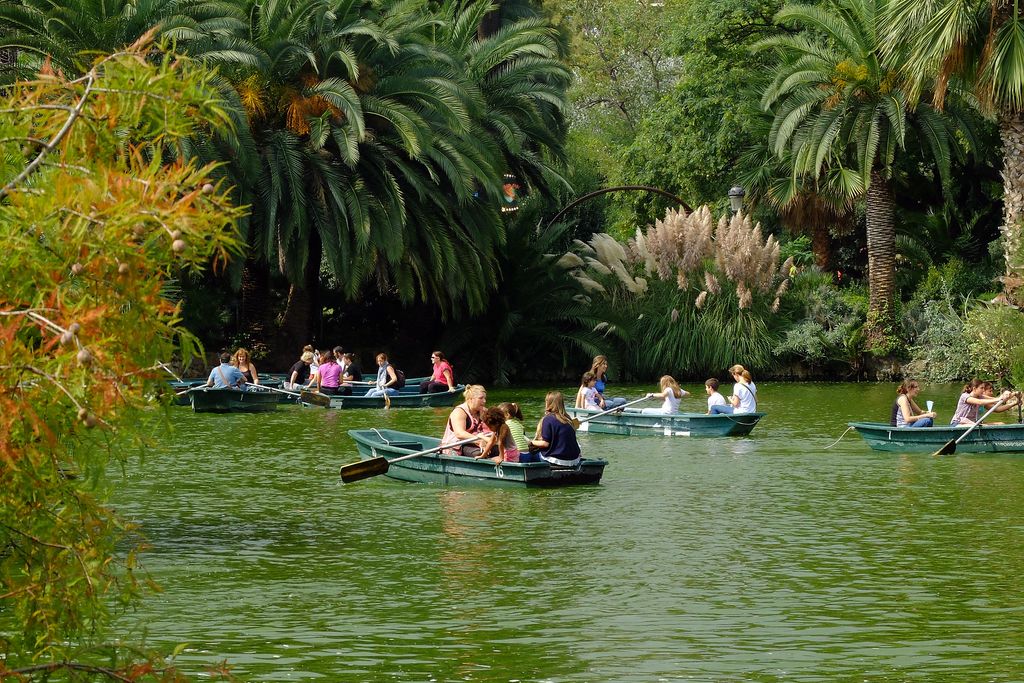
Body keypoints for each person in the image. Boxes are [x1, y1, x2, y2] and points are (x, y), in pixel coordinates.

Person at [528, 391, 581, 467]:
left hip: (557, 460)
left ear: (548, 403)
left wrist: (531, 442)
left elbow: (545, 443)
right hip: (574, 459)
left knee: (532, 455)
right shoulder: (568, 418)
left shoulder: (548, 419)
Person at [441, 384, 491, 457]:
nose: (484, 401)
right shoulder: (459, 412)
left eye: (485, 398)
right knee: (480, 453)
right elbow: (460, 434)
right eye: (481, 398)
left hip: (475, 443)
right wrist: (479, 440)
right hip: (457, 446)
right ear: (470, 399)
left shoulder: (483, 411)